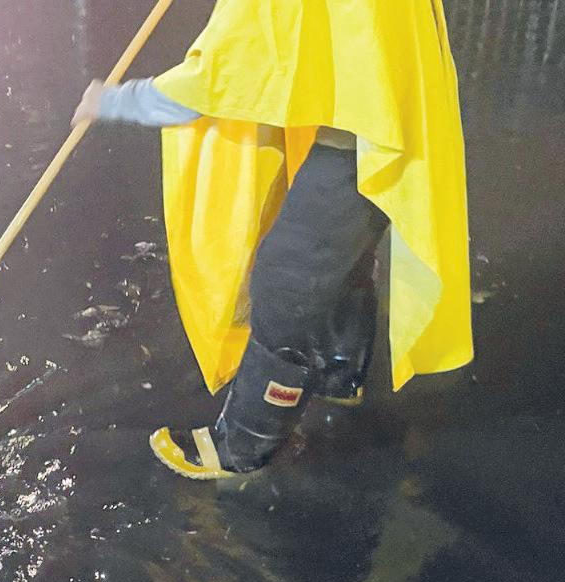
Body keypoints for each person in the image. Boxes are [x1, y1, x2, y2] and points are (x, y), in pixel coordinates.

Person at [72, 0, 473, 479]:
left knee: (287, 280)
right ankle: (339, 372)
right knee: (342, 254)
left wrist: (112, 101)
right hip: (389, 114)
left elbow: (219, 77)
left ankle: (243, 444)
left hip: (361, 135)